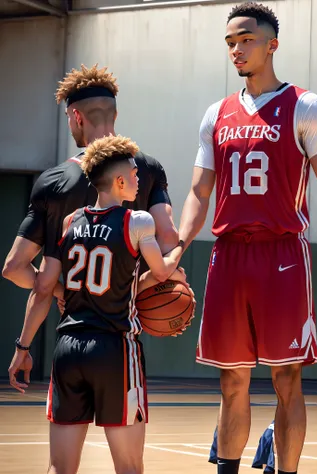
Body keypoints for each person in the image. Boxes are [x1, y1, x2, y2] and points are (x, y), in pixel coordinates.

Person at [178, 3, 317, 473]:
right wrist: (178, 245)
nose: (236, 49)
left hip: (282, 256)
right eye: (230, 42)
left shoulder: (304, 105)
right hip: (229, 255)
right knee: (231, 382)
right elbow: (199, 191)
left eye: (246, 40)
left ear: (271, 44)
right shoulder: (216, 113)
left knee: (287, 378)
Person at [8, 135, 187, 474]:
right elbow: (162, 272)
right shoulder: (138, 221)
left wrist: (25, 342)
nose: (139, 180)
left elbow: (47, 283)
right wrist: (181, 247)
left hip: (69, 349)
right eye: (135, 175)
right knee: (129, 467)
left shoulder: (70, 221)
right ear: (119, 182)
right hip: (115, 348)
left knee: (60, 468)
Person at [2, 64, 179, 302]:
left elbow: (14, 268)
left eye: (68, 118)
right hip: (125, 322)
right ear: (115, 115)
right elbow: (167, 236)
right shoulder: (148, 168)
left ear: (76, 117)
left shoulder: (54, 180)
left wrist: (60, 292)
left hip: (74, 325)